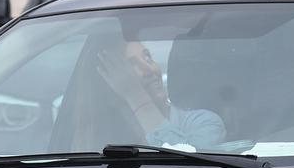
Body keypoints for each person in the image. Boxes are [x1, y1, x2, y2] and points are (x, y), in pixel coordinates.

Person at [96, 40, 226, 150]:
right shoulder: (101, 137)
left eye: (148, 58)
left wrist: (135, 96)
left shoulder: (203, 122)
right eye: (132, 65)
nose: (149, 70)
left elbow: (187, 163)